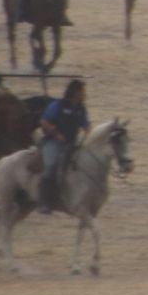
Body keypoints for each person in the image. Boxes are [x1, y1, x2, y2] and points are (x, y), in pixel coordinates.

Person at [37, 78, 90, 213]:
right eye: (83, 91)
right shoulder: (58, 105)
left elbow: (86, 124)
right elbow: (44, 121)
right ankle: (44, 202)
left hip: (71, 144)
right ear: (75, 92)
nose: (85, 94)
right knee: (51, 166)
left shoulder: (81, 109)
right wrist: (56, 134)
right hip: (53, 142)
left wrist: (88, 130)